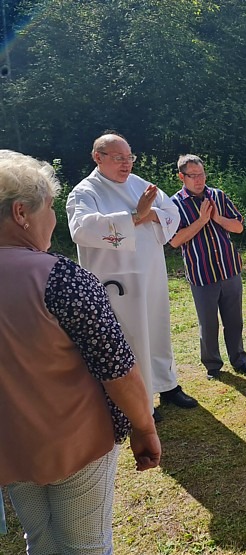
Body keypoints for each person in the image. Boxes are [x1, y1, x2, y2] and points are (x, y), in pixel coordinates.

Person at [0, 150, 161, 553]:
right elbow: (119, 371)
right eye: (49, 208)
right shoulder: (61, 277)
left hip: (10, 444)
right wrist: (144, 427)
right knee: (85, 545)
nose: (53, 220)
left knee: (39, 540)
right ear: (22, 213)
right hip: (72, 440)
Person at [66, 133, 197, 421]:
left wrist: (149, 215)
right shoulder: (85, 192)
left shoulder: (140, 184)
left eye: (130, 158)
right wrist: (135, 215)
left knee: (157, 327)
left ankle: (167, 384)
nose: (127, 164)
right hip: (116, 281)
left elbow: (170, 212)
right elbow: (82, 229)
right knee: (130, 337)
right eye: (119, 158)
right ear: (98, 158)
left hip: (150, 271)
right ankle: (140, 401)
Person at [170, 154, 246, 380]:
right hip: (202, 274)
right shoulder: (174, 204)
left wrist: (217, 218)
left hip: (229, 269)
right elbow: (174, 241)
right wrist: (200, 220)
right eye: (193, 176)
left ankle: (239, 360)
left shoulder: (218, 195)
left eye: (201, 175)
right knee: (208, 325)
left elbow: (238, 227)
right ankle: (213, 367)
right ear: (182, 176)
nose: (199, 180)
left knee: (234, 321)